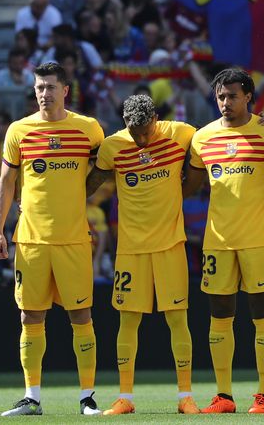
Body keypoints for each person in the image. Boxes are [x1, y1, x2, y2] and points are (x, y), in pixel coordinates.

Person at [0, 62, 106, 417]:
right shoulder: (19, 130)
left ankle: (87, 398)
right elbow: (6, 183)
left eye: (51, 87)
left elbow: (107, 166)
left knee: (81, 315)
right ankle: (32, 397)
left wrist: (79, 197)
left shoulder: (87, 129)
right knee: (30, 317)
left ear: (65, 90)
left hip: (73, 239)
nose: (44, 93)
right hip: (31, 240)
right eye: (39, 87)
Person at [182, 68, 264, 414]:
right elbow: (189, 187)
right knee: (220, 315)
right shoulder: (202, 138)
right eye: (220, 96)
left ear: (249, 97)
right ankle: (224, 396)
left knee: (262, 313)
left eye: (232, 95)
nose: (225, 102)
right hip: (217, 240)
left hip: (257, 238)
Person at [85, 95, 197, 415]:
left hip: (170, 244)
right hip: (131, 248)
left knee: (178, 320)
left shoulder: (180, 133)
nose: (142, 139)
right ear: (125, 124)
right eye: (135, 133)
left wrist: (263, 121)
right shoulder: (112, 147)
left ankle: (185, 397)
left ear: (157, 119)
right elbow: (89, 183)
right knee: (128, 321)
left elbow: (218, 134)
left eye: (147, 131)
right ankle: (125, 397)